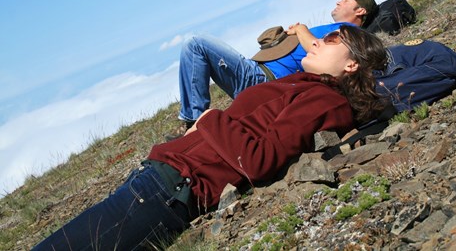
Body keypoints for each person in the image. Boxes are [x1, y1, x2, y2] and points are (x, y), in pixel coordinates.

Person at [33, 25, 388, 250]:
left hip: (171, 190)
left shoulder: (324, 99)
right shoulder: (310, 87)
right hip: (159, 182)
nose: (318, 42)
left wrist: (209, 118)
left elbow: (258, 161)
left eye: (332, 39)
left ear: (352, 64)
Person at [177, 0, 378, 132]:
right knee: (197, 45)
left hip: (265, 77)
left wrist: (301, 30)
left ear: (360, 11)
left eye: (345, 0)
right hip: (259, 72)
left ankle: (194, 119)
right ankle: (196, 122)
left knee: (197, 44)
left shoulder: (350, 34)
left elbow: (316, 48)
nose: (338, 2)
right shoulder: (334, 27)